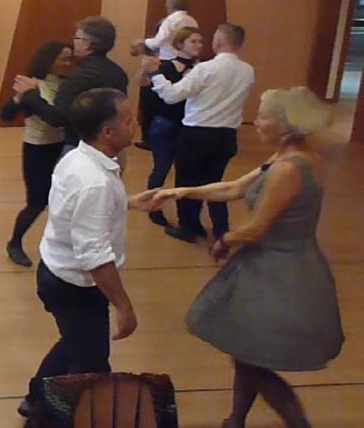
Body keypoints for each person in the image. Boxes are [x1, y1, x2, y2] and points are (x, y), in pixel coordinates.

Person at [151, 87, 344, 427]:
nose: (256, 122)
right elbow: (234, 187)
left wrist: (224, 241)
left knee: (253, 360)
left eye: (264, 116)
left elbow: (256, 228)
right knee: (246, 355)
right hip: (276, 265)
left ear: (285, 126)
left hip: (278, 273)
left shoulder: (289, 169)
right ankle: (235, 419)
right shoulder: (288, 157)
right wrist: (180, 191)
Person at [20, 88, 156, 419]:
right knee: (91, 367)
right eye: (128, 120)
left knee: (74, 342)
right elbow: (94, 255)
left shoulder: (76, 157)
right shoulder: (95, 183)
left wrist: (125, 203)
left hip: (55, 271)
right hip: (75, 287)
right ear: (107, 131)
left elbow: (77, 211)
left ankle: (35, 399)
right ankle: (45, 419)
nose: (135, 124)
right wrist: (124, 306)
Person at [143, 23, 254, 242]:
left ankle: (189, 227)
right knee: (217, 184)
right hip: (227, 135)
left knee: (188, 182)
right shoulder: (248, 70)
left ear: (218, 42)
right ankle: (221, 229)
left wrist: (155, 73)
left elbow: (172, 96)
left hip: (198, 134)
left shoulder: (206, 69)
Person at [0, 40, 72, 267]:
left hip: (62, 148)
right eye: (63, 58)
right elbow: (6, 115)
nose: (67, 63)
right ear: (49, 60)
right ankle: (14, 243)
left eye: (70, 58)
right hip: (37, 149)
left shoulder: (66, 84)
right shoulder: (32, 85)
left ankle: (62, 245)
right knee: (37, 202)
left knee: (63, 200)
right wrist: (19, 97)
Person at [13, 16, 127, 152]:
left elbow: (57, 118)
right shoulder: (118, 72)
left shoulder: (78, 77)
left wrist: (30, 94)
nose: (73, 42)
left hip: (82, 147)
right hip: (113, 145)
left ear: (87, 44)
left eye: (76, 38)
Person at [134, 26, 202, 227]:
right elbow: (141, 83)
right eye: (193, 41)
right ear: (180, 44)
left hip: (188, 125)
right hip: (165, 124)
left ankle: (187, 217)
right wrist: (146, 68)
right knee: (161, 168)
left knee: (185, 171)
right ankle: (153, 207)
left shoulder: (203, 69)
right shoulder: (165, 66)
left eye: (200, 41)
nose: (198, 45)